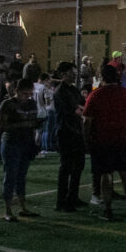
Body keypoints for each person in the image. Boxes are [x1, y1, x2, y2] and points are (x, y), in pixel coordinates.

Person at [83, 64, 126, 221]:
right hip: (124, 139)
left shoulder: (95, 96)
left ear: (102, 77)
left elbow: (87, 121)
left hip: (102, 140)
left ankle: (108, 209)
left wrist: (87, 140)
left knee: (106, 175)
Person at [0, 78, 41, 222]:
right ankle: (7, 210)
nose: (27, 97)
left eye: (29, 94)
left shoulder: (32, 103)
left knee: (22, 176)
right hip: (11, 143)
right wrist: (23, 124)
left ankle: (22, 207)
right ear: (16, 91)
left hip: (26, 142)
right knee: (10, 176)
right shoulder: (7, 104)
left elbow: (33, 121)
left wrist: (35, 128)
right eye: (24, 94)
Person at [53, 62, 86, 212]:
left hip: (76, 131)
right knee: (66, 167)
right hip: (66, 131)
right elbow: (75, 109)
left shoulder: (72, 90)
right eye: (72, 72)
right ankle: (61, 201)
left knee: (78, 166)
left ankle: (73, 197)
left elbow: (82, 105)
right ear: (63, 74)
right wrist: (80, 110)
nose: (75, 75)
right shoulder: (60, 91)